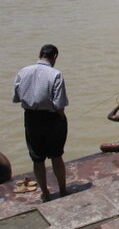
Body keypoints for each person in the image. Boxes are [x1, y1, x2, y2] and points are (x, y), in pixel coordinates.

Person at [13, 44, 69, 202]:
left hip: (31, 118)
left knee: (37, 159)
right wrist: (62, 118)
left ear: (40, 54)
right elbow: (59, 105)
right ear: (55, 56)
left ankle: (45, 193)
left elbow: (16, 97)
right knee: (56, 156)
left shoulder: (23, 72)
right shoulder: (56, 74)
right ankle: (63, 190)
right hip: (52, 119)